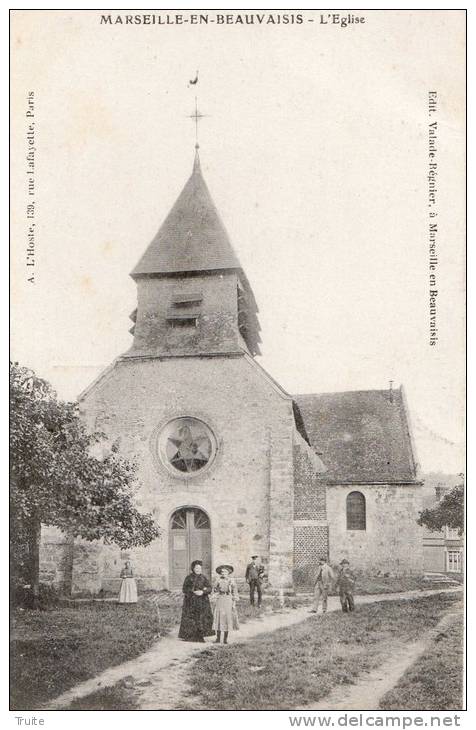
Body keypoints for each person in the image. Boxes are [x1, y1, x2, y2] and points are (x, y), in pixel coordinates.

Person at [178, 560, 214, 642]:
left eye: (200, 568)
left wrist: (203, 592)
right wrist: (193, 592)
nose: (198, 569)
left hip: (202, 601)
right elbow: (184, 589)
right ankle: (189, 636)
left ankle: (200, 635)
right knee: (191, 617)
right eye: (196, 568)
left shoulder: (203, 578)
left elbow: (209, 588)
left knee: (201, 617)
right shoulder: (188, 578)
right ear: (193, 569)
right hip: (191, 601)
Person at [212, 565, 240, 644]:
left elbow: (235, 592)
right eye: (222, 572)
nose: (223, 573)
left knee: (227, 618)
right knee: (219, 617)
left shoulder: (232, 581)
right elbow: (214, 590)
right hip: (220, 599)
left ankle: (225, 639)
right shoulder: (218, 580)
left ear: (228, 573)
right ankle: (217, 638)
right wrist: (215, 595)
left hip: (228, 599)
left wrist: (234, 601)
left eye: (225, 572)